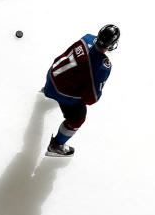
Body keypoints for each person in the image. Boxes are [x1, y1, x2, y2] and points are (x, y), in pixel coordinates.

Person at [42, 24, 119, 157]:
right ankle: (56, 145)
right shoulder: (103, 66)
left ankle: (47, 90)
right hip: (61, 91)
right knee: (78, 118)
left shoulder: (88, 38)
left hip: (52, 75)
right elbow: (92, 98)